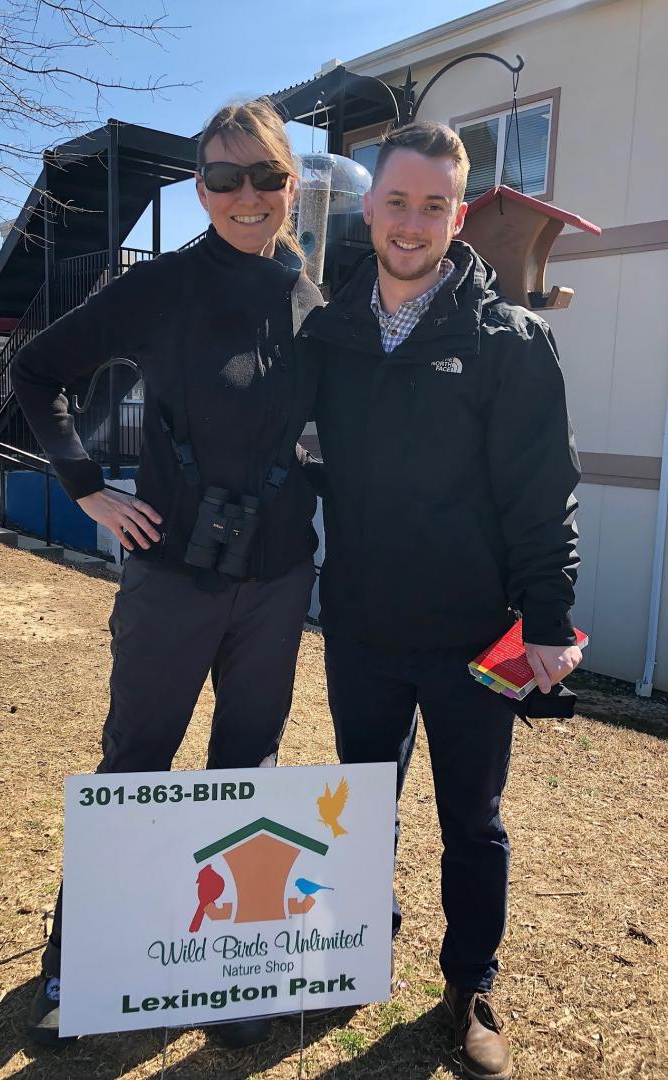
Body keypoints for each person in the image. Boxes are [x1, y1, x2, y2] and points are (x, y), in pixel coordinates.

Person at [10, 98, 323, 1049]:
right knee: (136, 769)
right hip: (171, 574)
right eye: (223, 178)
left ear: (290, 185)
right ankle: (82, 960)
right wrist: (85, 490)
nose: (245, 195)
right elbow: (37, 371)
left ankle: (229, 979)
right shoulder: (164, 286)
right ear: (199, 189)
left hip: (275, 582)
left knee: (248, 773)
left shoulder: (313, 297)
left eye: (264, 177)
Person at [302, 121, 582, 1080]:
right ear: (370, 206)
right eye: (397, 201)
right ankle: (352, 952)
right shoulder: (331, 333)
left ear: (457, 216)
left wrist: (547, 622)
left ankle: (469, 986)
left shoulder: (509, 340)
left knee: (474, 821)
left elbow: (543, 493)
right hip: (363, 630)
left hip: (473, 640)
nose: (412, 222)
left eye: (434, 206)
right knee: (360, 808)